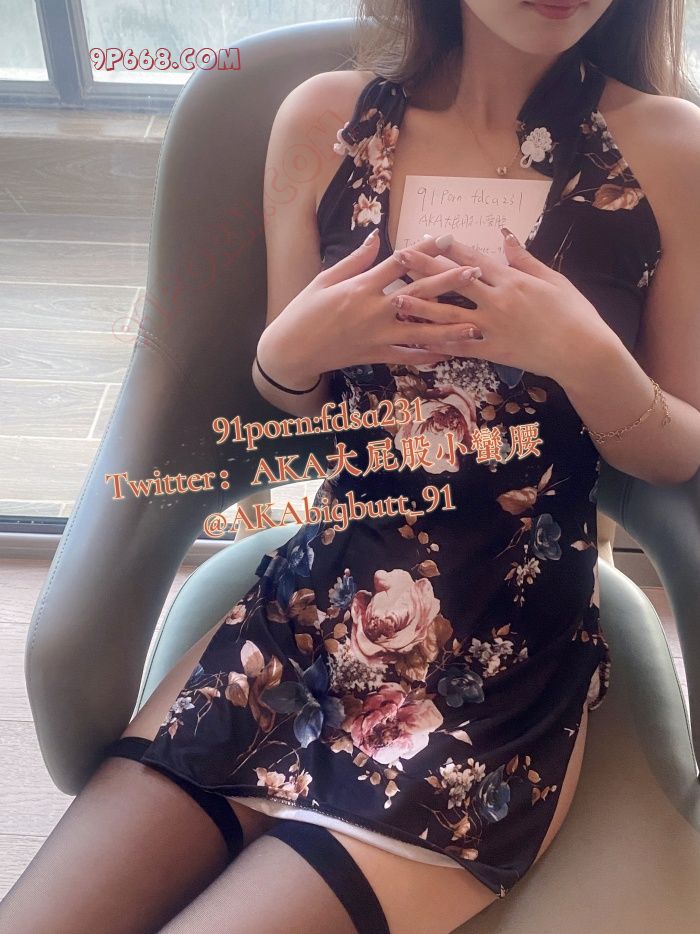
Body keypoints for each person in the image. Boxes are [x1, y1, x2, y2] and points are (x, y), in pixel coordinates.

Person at [3, 1, 700, 932]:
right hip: (311, 610)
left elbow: (675, 449)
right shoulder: (324, 123)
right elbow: (297, 401)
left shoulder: (665, 147)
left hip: (500, 671)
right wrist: (288, 352)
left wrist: (586, 357)